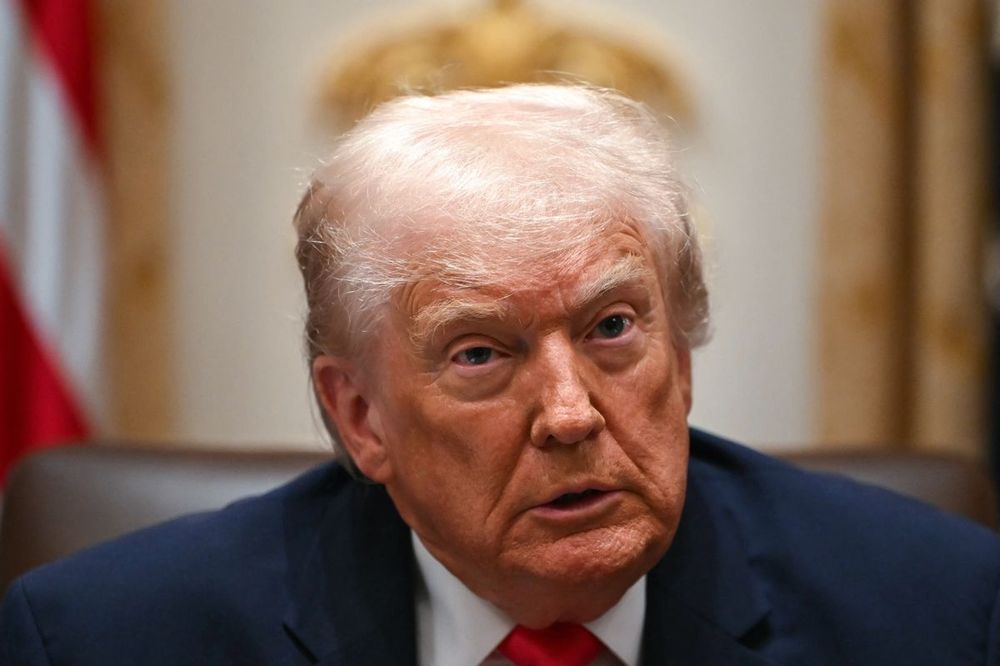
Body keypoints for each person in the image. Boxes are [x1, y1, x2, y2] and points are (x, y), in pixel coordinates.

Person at [2, 84, 999, 665]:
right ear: (360, 416)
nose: (570, 415)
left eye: (613, 328)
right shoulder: (106, 640)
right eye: (480, 352)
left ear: (683, 356)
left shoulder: (939, 615)